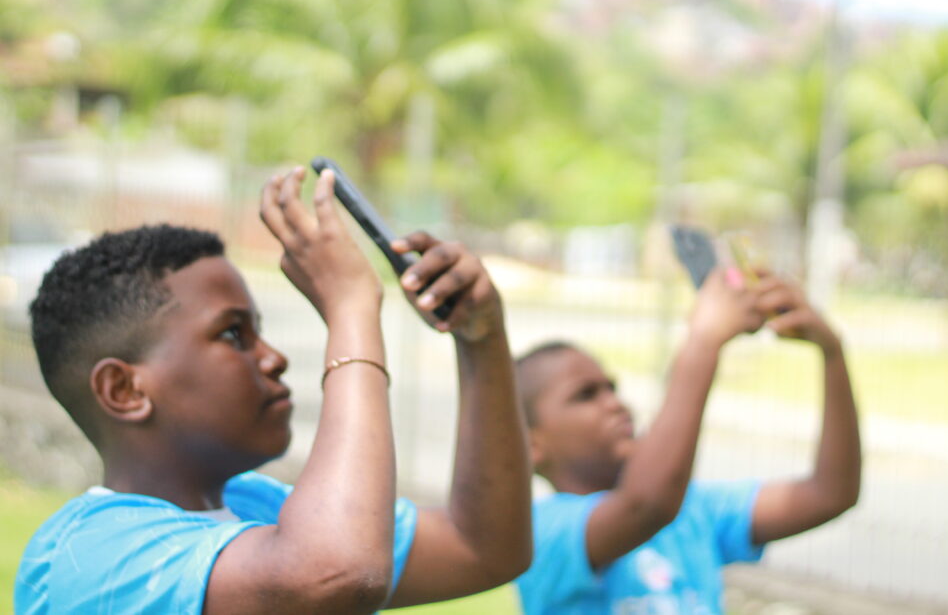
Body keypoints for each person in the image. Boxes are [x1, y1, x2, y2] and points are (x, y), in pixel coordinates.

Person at [15, 166, 531, 614]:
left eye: (258, 331)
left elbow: (482, 546)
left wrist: (481, 339)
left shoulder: (260, 506)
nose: (273, 357)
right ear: (124, 390)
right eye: (232, 334)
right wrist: (350, 307)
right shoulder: (86, 558)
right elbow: (337, 573)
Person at [513, 268, 861, 615]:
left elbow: (830, 493)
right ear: (532, 446)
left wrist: (832, 353)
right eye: (585, 395)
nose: (615, 403)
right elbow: (646, 506)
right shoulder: (539, 537)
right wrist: (703, 341)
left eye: (612, 388)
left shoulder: (691, 510)